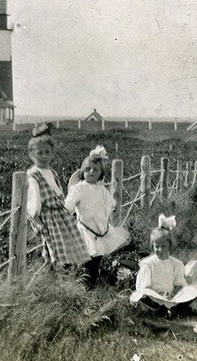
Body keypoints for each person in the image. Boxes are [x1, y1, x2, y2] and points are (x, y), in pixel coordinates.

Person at [64, 145, 130, 287]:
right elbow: (69, 203)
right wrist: (66, 210)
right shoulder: (79, 188)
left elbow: (110, 203)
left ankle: (92, 283)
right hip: (86, 230)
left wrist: (110, 206)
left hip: (100, 230)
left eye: (96, 169)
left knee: (96, 258)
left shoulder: (102, 189)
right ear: (82, 171)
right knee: (85, 258)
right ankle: (80, 283)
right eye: (88, 169)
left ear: (101, 173)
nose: (91, 172)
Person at [26, 123, 90, 268]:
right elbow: (33, 202)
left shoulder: (52, 172)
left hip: (61, 215)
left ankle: (68, 274)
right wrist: (36, 221)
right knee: (54, 249)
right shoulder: (32, 175)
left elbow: (60, 193)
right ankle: (55, 275)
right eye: (39, 153)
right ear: (31, 154)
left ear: (52, 153)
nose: (43, 156)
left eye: (47, 152)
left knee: (70, 246)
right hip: (49, 217)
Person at [129, 215, 197, 316]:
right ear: (152, 246)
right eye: (157, 246)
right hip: (154, 295)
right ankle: (161, 309)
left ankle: (174, 309)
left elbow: (179, 283)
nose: (160, 250)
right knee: (143, 294)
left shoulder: (176, 264)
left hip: (171, 295)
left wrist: (172, 294)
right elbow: (145, 286)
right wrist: (158, 294)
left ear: (170, 247)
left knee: (191, 291)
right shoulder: (148, 264)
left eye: (164, 246)